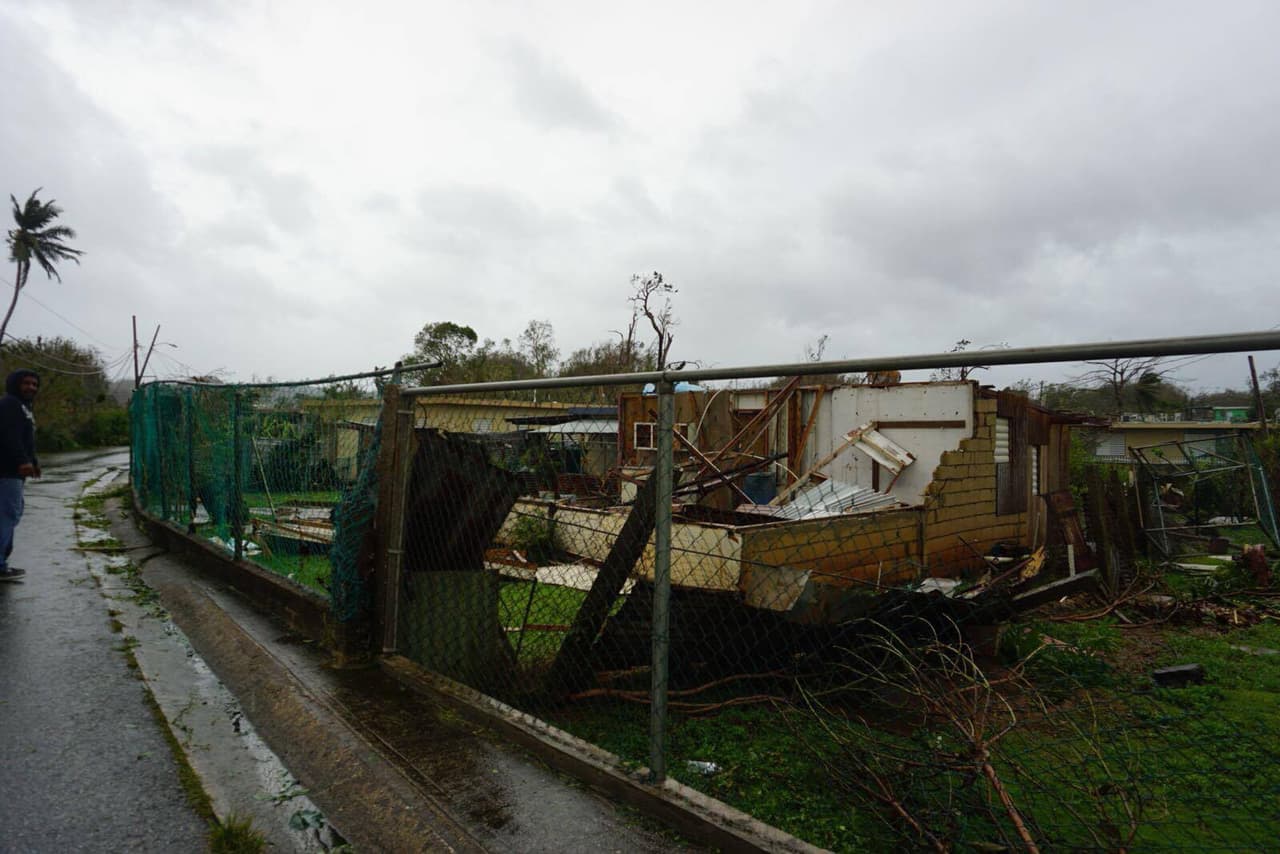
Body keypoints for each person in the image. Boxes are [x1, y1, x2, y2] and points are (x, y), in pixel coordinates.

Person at [0, 369, 40, 581]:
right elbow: (9, 436)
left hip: (13, 471)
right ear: (15, 384)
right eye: (26, 383)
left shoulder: (23, 407)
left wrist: (33, 460)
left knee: (10, 513)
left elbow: (25, 438)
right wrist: (22, 461)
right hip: (7, 470)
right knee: (8, 514)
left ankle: (2, 562)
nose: (31, 387)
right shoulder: (10, 404)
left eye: (34, 384)